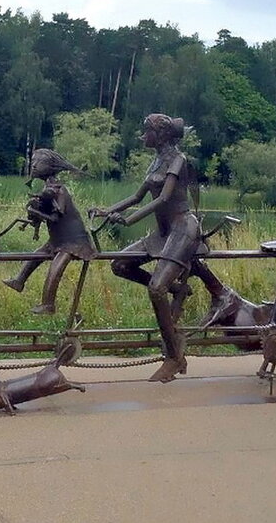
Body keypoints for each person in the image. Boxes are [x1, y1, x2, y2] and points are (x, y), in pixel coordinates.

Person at [91, 113, 236, 383]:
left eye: (146, 132)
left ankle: (174, 356)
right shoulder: (155, 161)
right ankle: (174, 286)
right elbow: (136, 196)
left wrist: (129, 219)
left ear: (161, 135)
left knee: (154, 289)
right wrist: (105, 211)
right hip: (163, 232)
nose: (143, 136)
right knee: (120, 264)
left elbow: (164, 199)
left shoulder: (178, 160)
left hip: (183, 229)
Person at [2, 148, 96, 314]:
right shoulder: (48, 188)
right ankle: (19, 280)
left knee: (55, 269)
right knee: (36, 255)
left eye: (40, 162)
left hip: (73, 242)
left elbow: (54, 217)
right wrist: (35, 212)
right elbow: (44, 214)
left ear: (51, 166)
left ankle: (48, 304)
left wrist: (36, 212)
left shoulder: (60, 190)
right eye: (33, 161)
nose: (34, 165)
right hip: (57, 240)